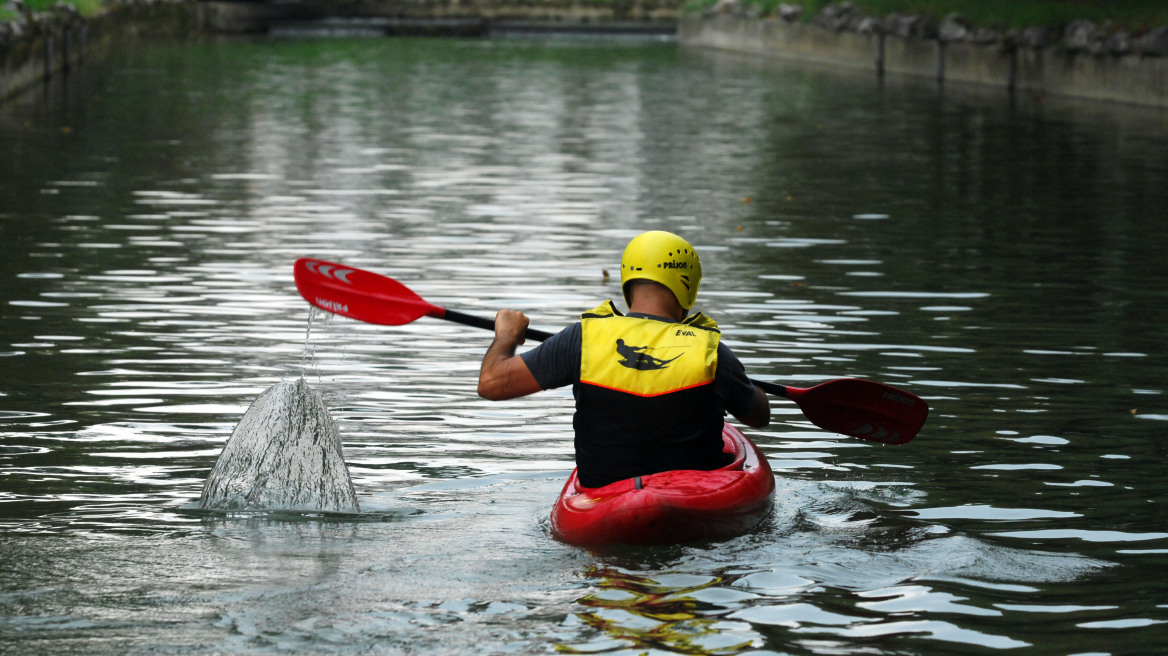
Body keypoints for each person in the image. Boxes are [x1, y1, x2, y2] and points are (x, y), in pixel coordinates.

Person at [477, 230, 770, 489]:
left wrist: (506, 335)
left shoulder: (582, 338)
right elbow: (759, 416)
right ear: (688, 284)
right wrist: (736, 382)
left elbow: (491, 383)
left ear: (627, 281)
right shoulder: (710, 350)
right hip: (692, 496)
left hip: (604, 498)